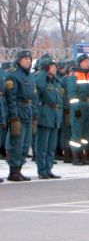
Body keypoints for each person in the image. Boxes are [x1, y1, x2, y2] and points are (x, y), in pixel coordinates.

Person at [5, 49, 36, 181]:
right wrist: (14, 117)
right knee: (16, 143)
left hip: (28, 110)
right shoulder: (13, 75)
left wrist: (34, 115)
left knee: (25, 143)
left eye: (29, 59)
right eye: (25, 58)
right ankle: (13, 171)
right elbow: (11, 98)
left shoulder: (30, 75)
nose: (28, 61)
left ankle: (19, 169)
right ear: (19, 60)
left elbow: (34, 97)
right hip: (18, 110)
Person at [34, 56, 63, 179]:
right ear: (46, 68)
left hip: (55, 114)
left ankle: (49, 168)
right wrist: (42, 72)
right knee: (42, 146)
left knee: (51, 146)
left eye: (55, 66)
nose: (55, 68)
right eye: (51, 66)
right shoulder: (42, 80)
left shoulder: (56, 81)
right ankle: (42, 170)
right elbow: (39, 87)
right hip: (45, 113)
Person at [67, 53, 89, 165]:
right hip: (78, 107)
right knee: (77, 133)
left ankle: (86, 156)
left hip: (88, 106)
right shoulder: (74, 75)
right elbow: (72, 94)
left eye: (88, 61)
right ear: (80, 63)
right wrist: (76, 108)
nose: (88, 63)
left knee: (87, 133)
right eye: (85, 61)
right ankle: (76, 157)